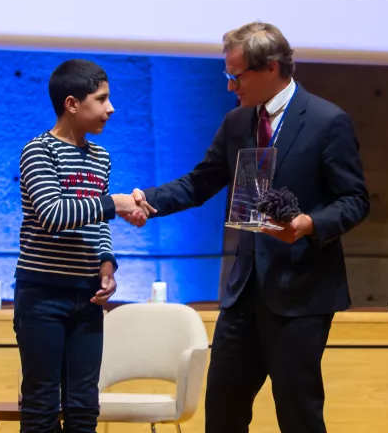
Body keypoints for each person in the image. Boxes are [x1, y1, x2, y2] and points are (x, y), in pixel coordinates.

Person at [127, 22, 370, 433]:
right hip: (243, 293)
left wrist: (309, 224)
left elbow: (355, 199)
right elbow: (199, 182)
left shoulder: (328, 121)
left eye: (236, 76)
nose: (229, 86)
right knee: (223, 412)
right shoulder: (238, 121)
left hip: (300, 293)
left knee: (298, 414)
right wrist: (146, 202)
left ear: (271, 68)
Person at [13, 59, 150, 433]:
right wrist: (114, 203)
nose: (111, 108)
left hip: (88, 296)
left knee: (84, 407)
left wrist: (107, 263)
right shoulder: (39, 151)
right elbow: (53, 214)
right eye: (101, 99)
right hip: (42, 294)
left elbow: (97, 222)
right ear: (72, 104)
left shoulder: (101, 157)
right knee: (41, 407)